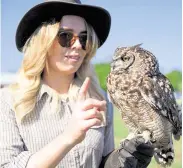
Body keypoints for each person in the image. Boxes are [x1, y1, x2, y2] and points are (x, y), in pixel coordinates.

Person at [0, 0, 154, 167]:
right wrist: (68, 137)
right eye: (66, 36)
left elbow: (102, 162)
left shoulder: (99, 99)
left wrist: (121, 160)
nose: (78, 45)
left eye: (84, 38)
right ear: (43, 42)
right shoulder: (9, 101)